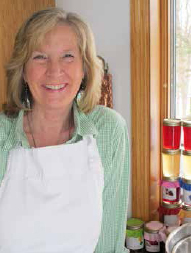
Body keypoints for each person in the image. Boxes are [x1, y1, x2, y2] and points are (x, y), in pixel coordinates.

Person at [0, 7, 130, 253]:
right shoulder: (1, 134)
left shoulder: (109, 130)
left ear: (84, 69)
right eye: (40, 56)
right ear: (23, 71)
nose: (54, 71)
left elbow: (110, 243)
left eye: (68, 56)